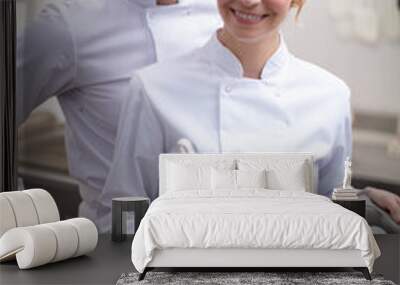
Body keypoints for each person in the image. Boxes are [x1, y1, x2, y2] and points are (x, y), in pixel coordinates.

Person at [102, 0, 400, 231]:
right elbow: (124, 218)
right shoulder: (153, 88)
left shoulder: (331, 96)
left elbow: (329, 212)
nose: (249, 1)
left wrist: (364, 202)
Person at [16, 0, 222, 232]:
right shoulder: (68, 27)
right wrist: (15, 211)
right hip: (118, 242)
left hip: (213, 236)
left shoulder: (232, 13)